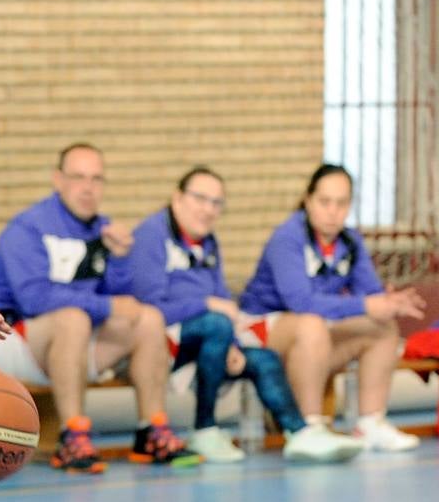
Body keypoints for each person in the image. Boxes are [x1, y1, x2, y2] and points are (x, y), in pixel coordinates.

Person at [0, 143, 200, 474]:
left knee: (149, 319)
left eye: (97, 179)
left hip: (73, 344)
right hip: (7, 340)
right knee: (74, 318)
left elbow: (123, 302)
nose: (88, 187)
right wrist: (107, 304)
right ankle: (74, 435)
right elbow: (33, 300)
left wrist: (122, 260)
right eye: (79, 177)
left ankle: (151, 430)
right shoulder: (28, 227)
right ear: (58, 179)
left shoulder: (104, 229)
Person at [130, 168, 362, 464]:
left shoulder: (208, 242)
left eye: (216, 203)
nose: (208, 209)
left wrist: (234, 344)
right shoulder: (151, 235)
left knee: (263, 358)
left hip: (211, 336)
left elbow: (223, 299)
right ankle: (204, 428)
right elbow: (149, 310)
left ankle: (300, 432)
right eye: (201, 199)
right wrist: (207, 304)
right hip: (157, 342)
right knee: (216, 322)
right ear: (177, 199)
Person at [238, 163, 426, 451]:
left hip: (312, 337)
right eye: (325, 202)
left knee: (382, 326)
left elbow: (370, 292)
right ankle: (309, 428)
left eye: (341, 203)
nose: (332, 211)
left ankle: (370, 424)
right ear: (308, 200)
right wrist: (365, 303)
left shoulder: (350, 241)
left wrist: (388, 302)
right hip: (260, 331)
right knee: (311, 323)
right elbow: (300, 302)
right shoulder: (287, 238)